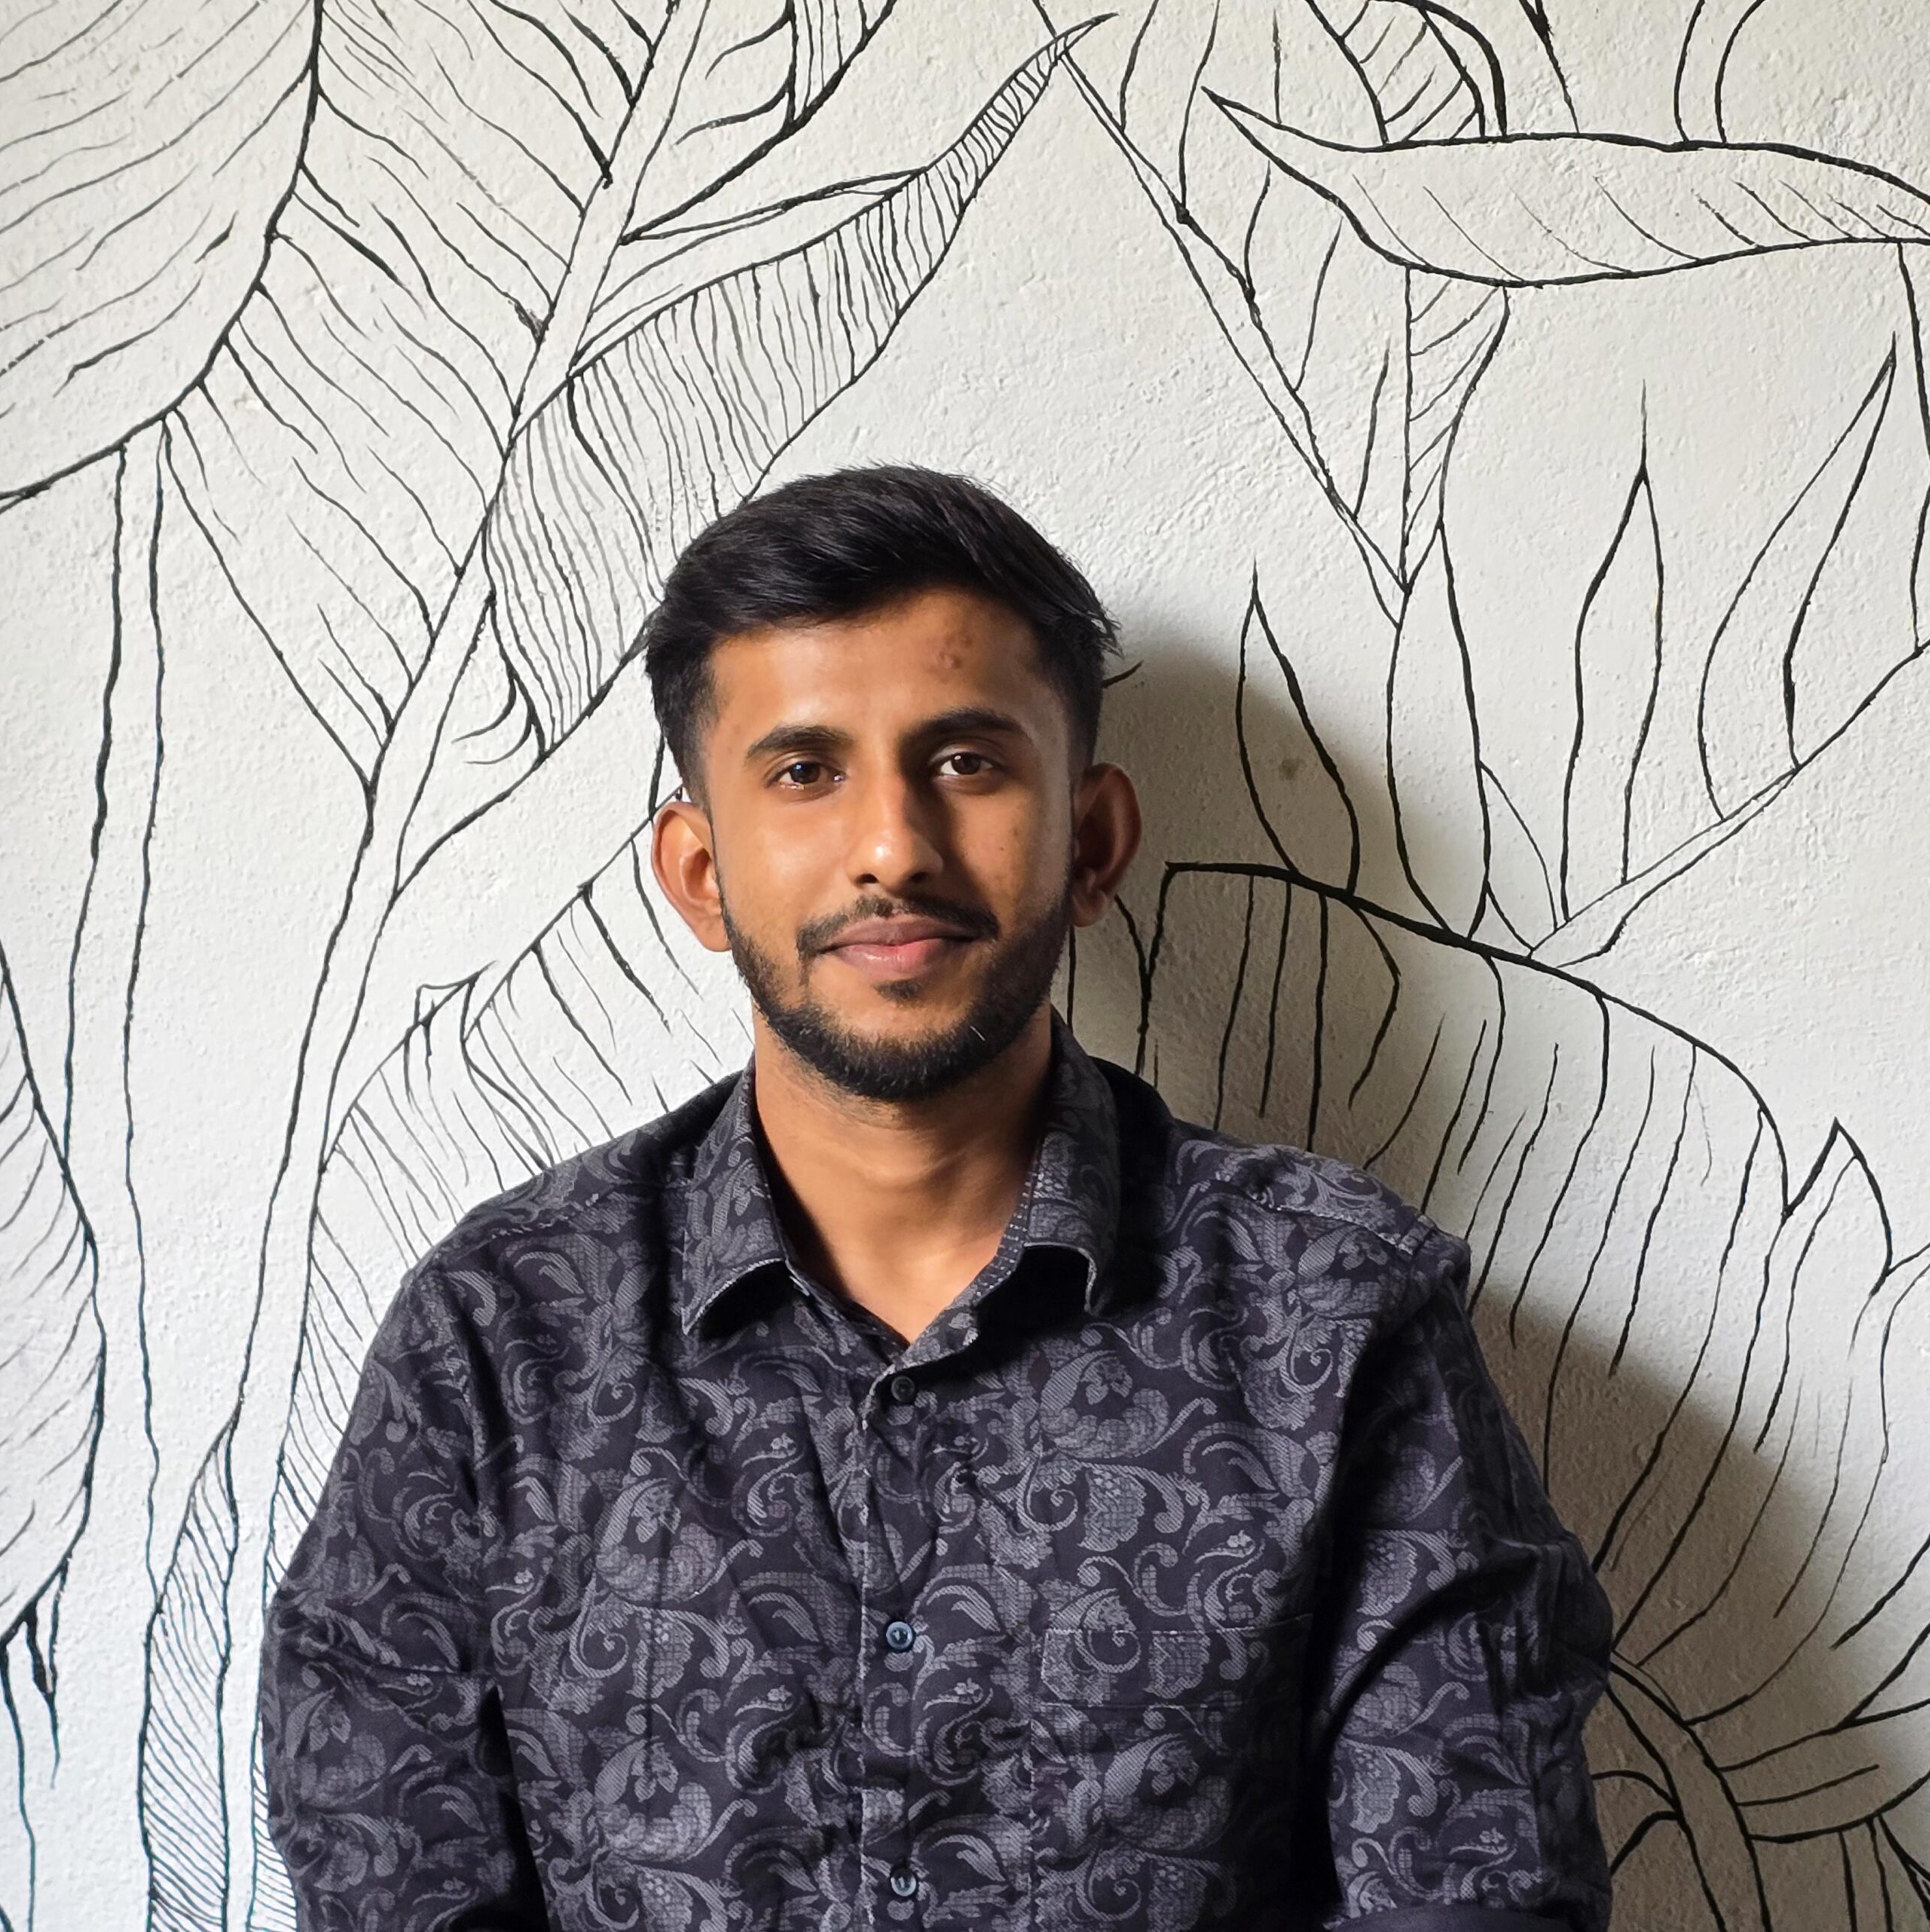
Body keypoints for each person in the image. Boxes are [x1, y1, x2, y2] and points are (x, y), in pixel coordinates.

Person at [260, 466, 1614, 1930]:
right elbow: (389, 1868)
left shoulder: (1338, 1317)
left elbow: (1477, 1892)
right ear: (701, 873)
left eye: (965, 761)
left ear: (1091, 841)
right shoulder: (501, 1337)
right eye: (805, 771)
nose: (893, 846)